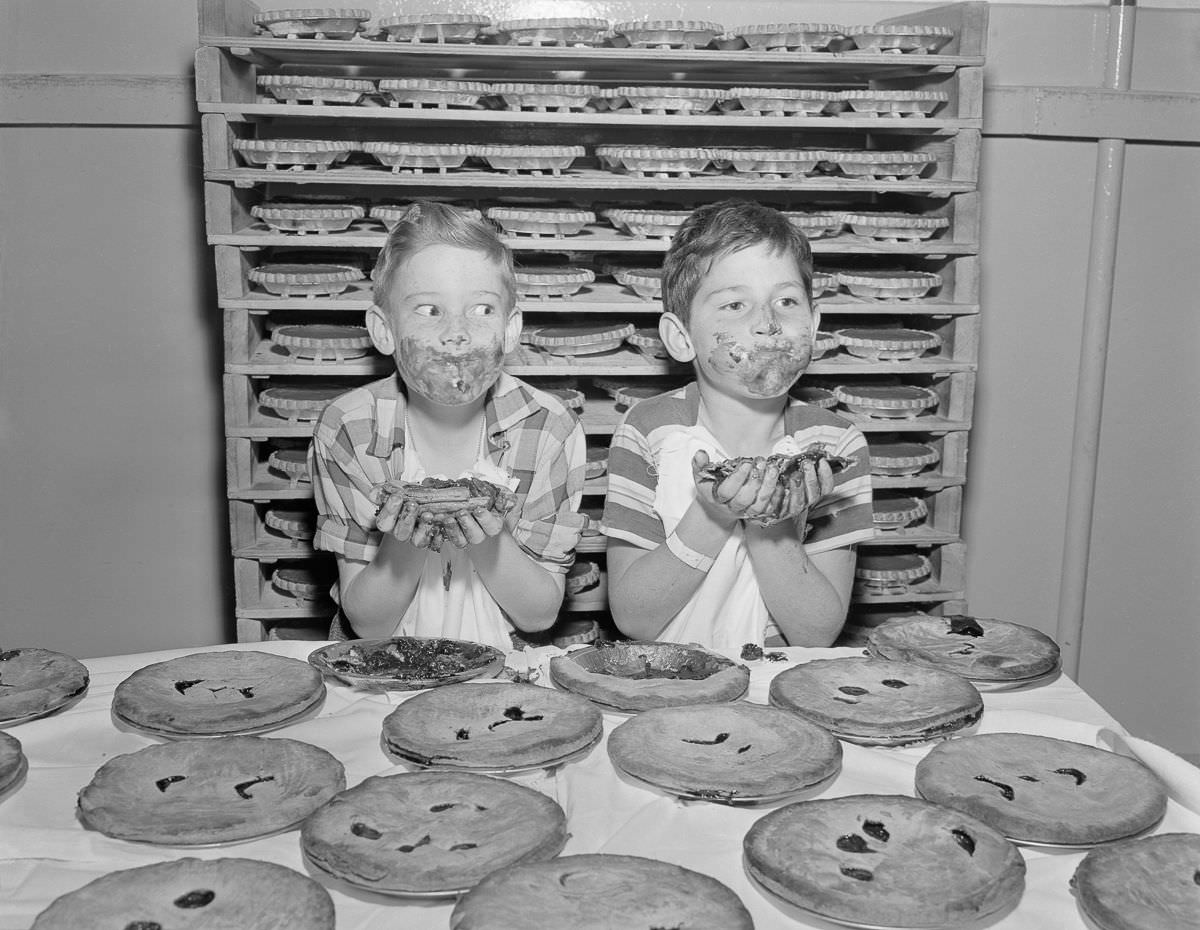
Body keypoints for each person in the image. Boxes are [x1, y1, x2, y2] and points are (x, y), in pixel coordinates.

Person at [307, 202, 587, 649]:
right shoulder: (349, 427)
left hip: (509, 662)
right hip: (386, 662)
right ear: (384, 330)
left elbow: (538, 614)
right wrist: (402, 541)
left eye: (480, 309)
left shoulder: (549, 428)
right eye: (428, 310)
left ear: (511, 329)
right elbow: (369, 625)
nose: (456, 331)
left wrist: (489, 540)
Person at [601, 200, 875, 650]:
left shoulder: (835, 447)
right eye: (734, 304)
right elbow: (635, 619)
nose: (767, 323)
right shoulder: (648, 430)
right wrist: (713, 515)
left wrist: (772, 523)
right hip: (668, 682)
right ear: (682, 338)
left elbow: (816, 632)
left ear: (814, 323)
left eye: (786, 301)